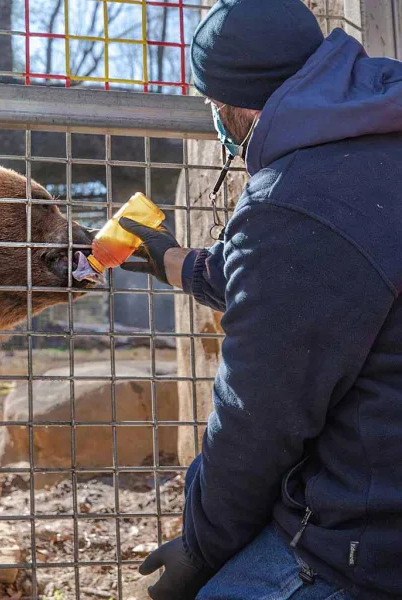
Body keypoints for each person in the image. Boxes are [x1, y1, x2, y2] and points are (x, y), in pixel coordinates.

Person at [119, 1, 402, 599]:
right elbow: (330, 271)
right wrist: (177, 262)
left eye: (210, 104)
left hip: (368, 538)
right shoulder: (377, 127)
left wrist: (201, 547)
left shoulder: (293, 202)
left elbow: (256, 421)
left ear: (234, 105)